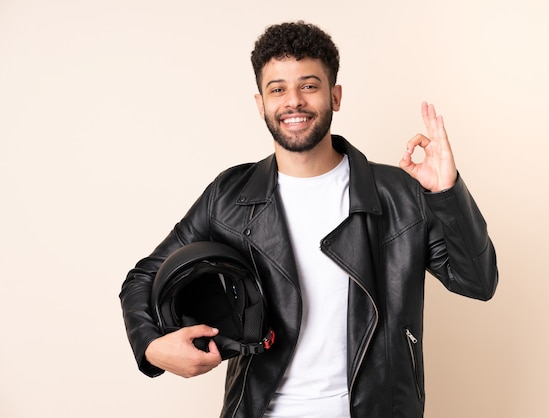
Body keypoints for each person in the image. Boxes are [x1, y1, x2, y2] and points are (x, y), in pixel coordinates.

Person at [120, 21, 498, 418]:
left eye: (309, 85)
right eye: (278, 89)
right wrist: (151, 347)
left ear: (335, 96)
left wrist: (445, 193)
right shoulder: (230, 195)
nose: (293, 101)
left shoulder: (399, 193)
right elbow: (143, 277)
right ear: (260, 103)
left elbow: (478, 281)